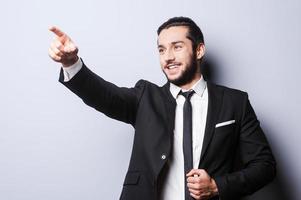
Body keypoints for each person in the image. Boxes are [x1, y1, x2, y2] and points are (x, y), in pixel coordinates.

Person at [48, 17, 276, 200]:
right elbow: (103, 95)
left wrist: (216, 186)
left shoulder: (235, 102)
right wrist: (71, 63)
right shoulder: (145, 97)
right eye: (161, 50)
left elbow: (264, 166)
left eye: (177, 47)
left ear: (198, 50)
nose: (168, 57)